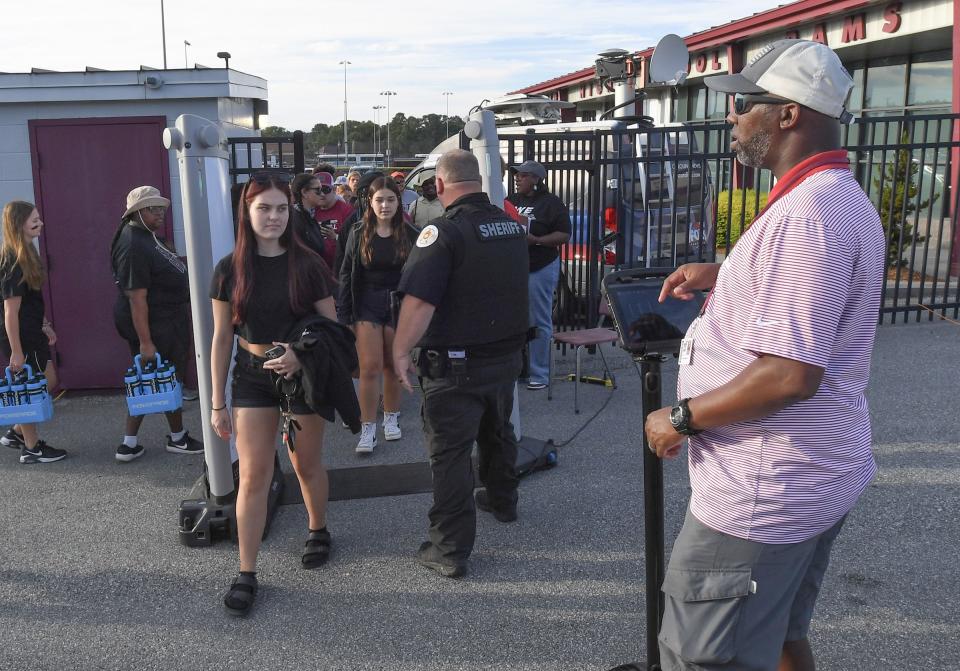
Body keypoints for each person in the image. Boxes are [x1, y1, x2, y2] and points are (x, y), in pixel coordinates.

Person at [644, 40, 885, 671]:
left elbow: (787, 374)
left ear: (788, 115)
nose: (732, 116)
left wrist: (681, 418)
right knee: (777, 634)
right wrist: (727, 273)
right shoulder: (836, 196)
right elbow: (811, 290)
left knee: (704, 656)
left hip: (763, 488)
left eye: (743, 103)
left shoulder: (808, 215)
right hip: (812, 474)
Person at [209, 172, 340, 617]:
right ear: (246, 212)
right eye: (264, 208)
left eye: (281, 208)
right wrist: (216, 402)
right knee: (253, 476)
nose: (274, 217)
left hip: (301, 376)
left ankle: (318, 528)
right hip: (250, 376)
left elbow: (332, 330)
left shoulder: (308, 264)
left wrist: (301, 357)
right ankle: (246, 572)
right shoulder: (229, 269)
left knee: (305, 465)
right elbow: (221, 339)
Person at [393, 149, 529, 578]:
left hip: (454, 365)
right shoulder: (510, 225)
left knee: (449, 454)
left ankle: (449, 548)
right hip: (504, 356)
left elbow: (418, 302)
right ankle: (503, 501)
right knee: (497, 430)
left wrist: (399, 350)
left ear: (439, 186)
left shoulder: (442, 233)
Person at [110, 186, 202, 462]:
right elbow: (137, 297)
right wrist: (146, 342)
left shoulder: (144, 236)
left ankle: (153, 440)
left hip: (166, 319)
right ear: (137, 212)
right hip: (156, 323)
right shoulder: (132, 243)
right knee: (157, 378)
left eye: (161, 207)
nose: (160, 213)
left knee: (158, 379)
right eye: (153, 209)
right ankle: (141, 441)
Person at [338, 176, 418, 453]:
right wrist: (345, 315)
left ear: (399, 201)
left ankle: (391, 418)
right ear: (370, 203)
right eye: (379, 199)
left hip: (398, 305)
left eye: (391, 199)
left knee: (393, 366)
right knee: (369, 368)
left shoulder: (410, 233)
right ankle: (367, 429)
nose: (385, 205)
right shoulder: (358, 232)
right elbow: (346, 273)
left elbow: (421, 275)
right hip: (366, 304)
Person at [0, 201, 66, 464]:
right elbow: (10, 312)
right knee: (31, 387)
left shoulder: (27, 254)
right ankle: (32, 448)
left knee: (46, 381)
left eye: (39, 218)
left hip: (31, 331)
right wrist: (16, 351)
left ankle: (17, 433)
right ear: (19, 225)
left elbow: (31, 302)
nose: (40, 223)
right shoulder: (13, 261)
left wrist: (45, 323)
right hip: (21, 337)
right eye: (34, 220)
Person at [507, 160, 570, 390]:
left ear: (536, 179)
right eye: (516, 175)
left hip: (541, 265)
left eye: (522, 175)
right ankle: (518, 370)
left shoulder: (551, 203)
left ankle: (539, 374)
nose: (517, 178)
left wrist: (538, 241)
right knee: (514, 319)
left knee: (538, 319)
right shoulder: (511, 202)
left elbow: (563, 235)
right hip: (515, 267)